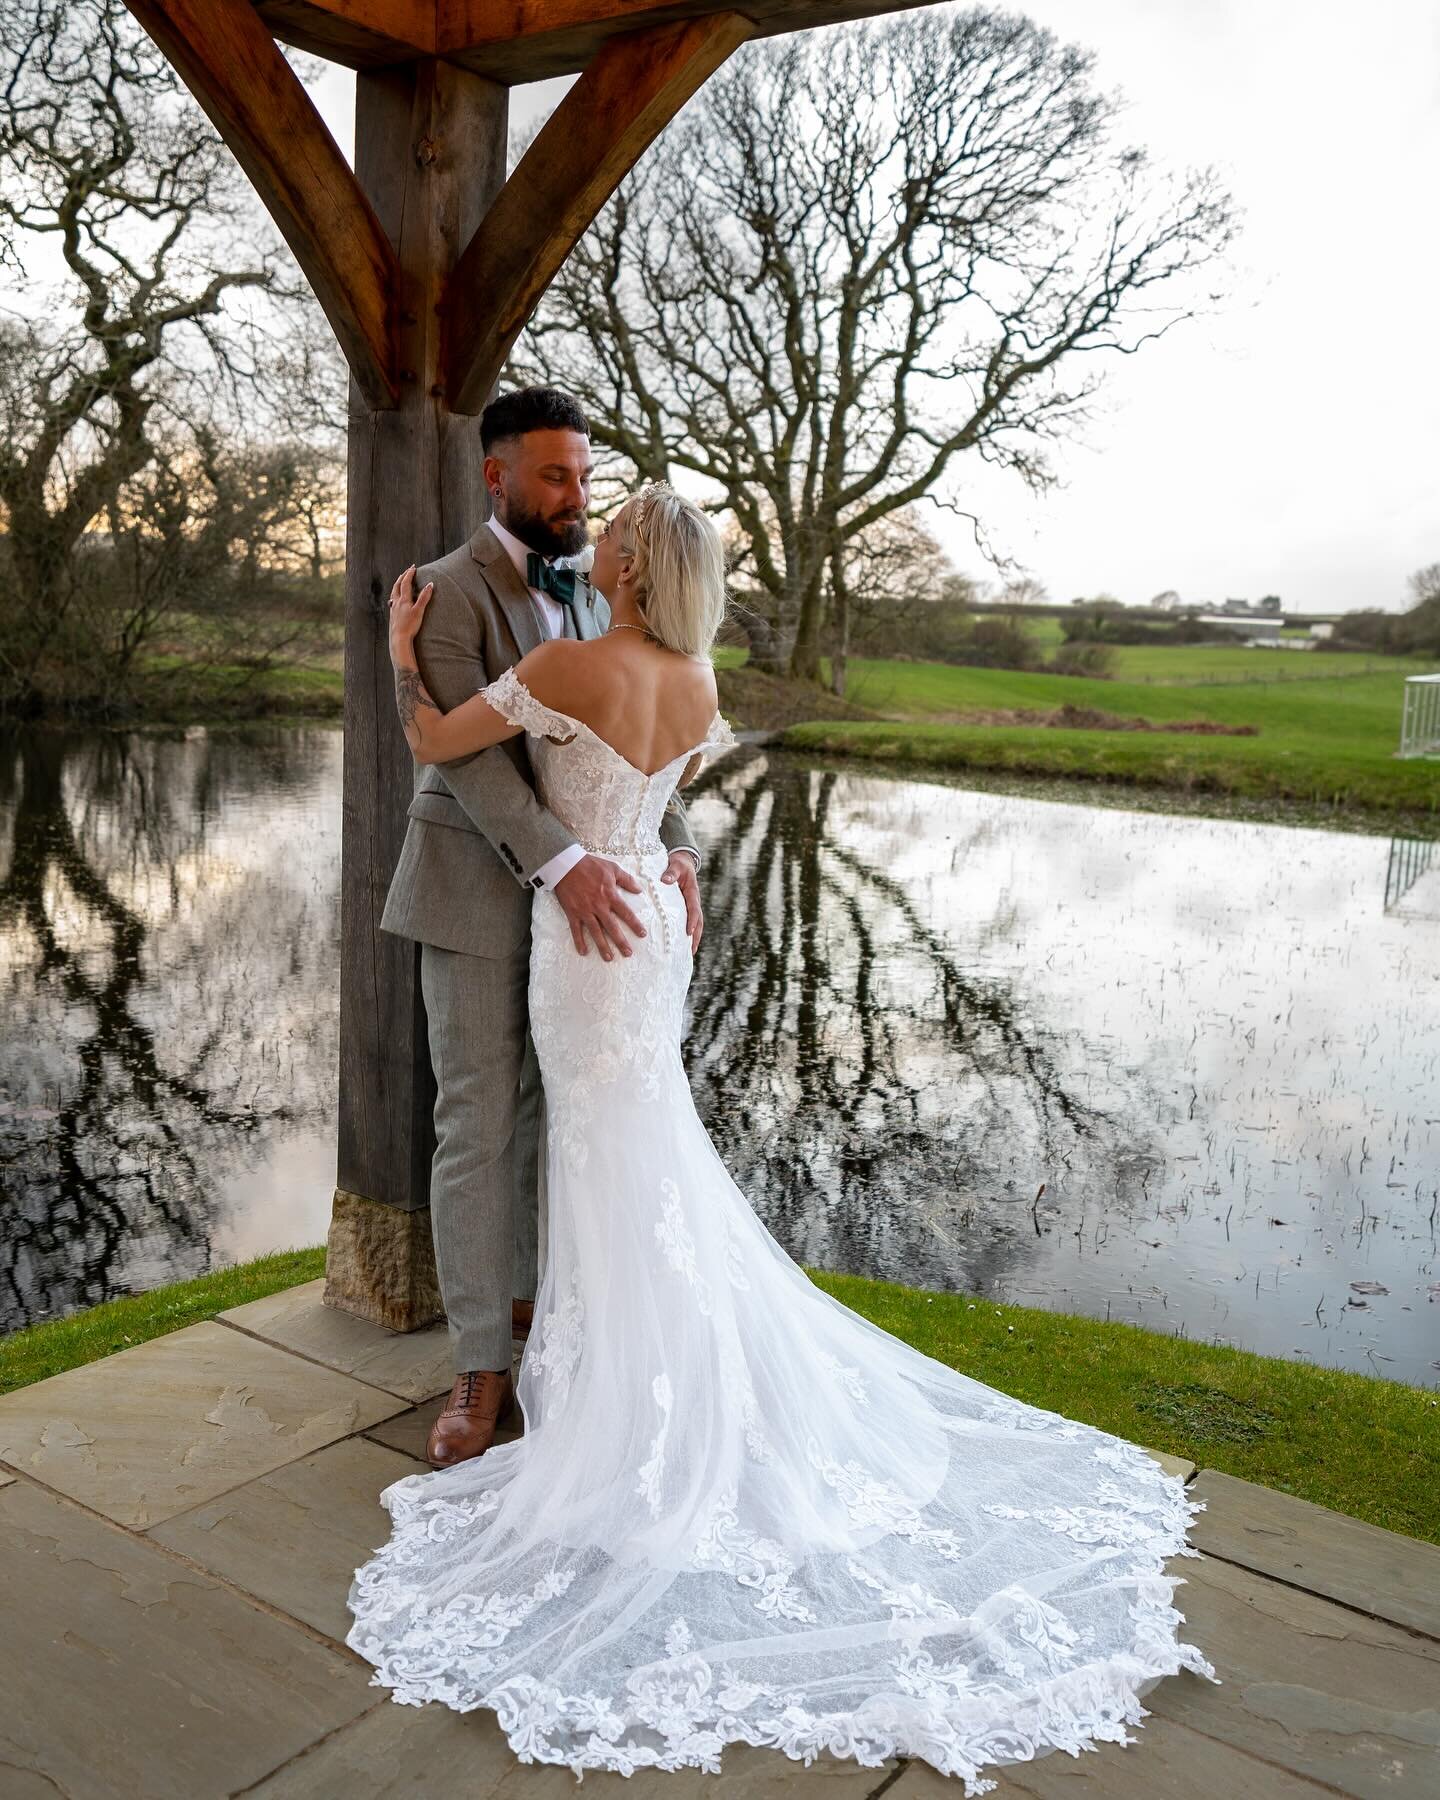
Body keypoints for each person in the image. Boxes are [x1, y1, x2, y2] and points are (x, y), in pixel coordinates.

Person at [346, 482, 1218, 1790]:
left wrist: (406, 649)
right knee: (637, 1146)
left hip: (585, 945)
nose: (601, 552)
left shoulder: (570, 664)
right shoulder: (697, 687)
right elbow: (652, 805)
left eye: (615, 542)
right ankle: (635, 1368)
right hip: (652, 922)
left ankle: (613, 1404)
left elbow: (440, 741)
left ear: (630, 568)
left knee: (600, 1151)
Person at [377, 387, 704, 1469]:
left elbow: (643, 740)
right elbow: (461, 754)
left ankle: (544, 1321)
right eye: (556, 475)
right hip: (479, 892)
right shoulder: (443, 589)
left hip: (595, 916)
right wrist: (562, 863)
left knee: (568, 1118)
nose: (577, 496)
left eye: (586, 476)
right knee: (479, 1124)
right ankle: (479, 1371)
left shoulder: (608, 599)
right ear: (499, 476)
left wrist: (679, 847)